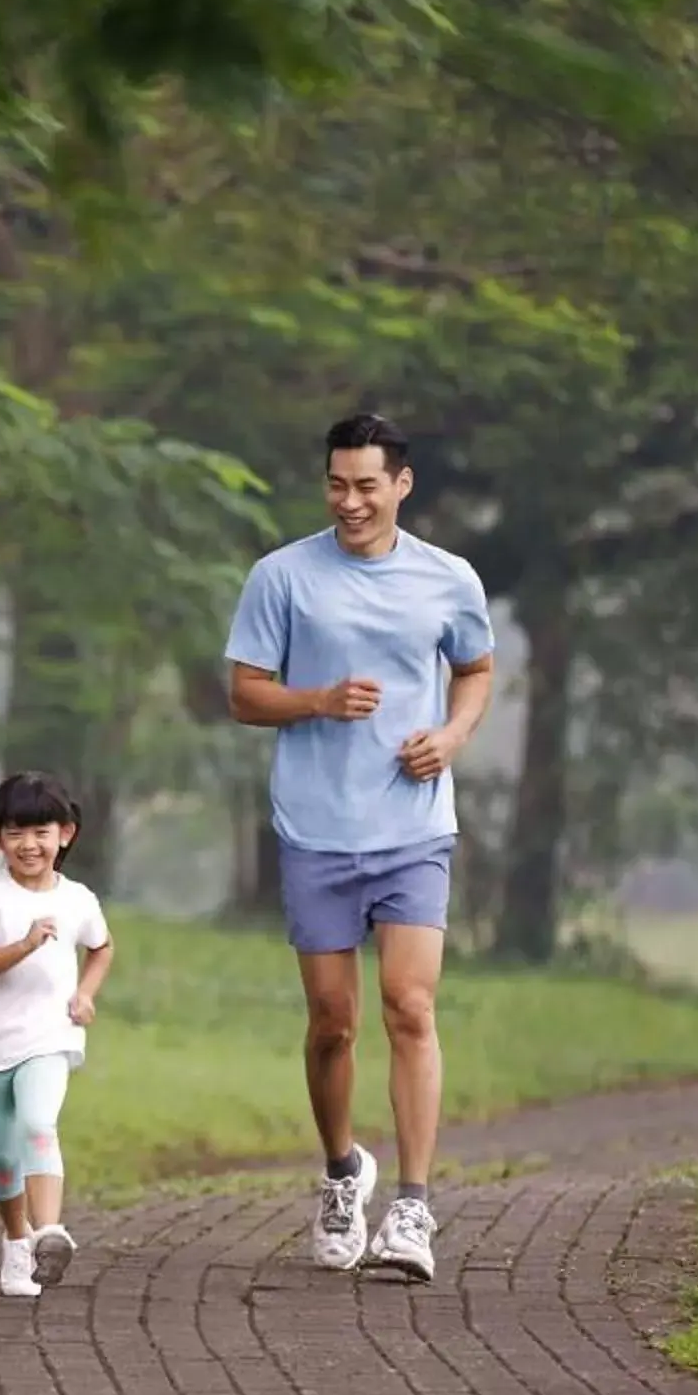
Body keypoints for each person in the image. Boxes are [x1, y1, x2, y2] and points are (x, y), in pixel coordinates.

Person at [223, 413, 495, 1283]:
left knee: (410, 1008)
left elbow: (477, 669)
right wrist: (318, 701)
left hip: (414, 827)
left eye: (367, 485)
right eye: (337, 484)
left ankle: (412, 1208)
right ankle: (343, 1175)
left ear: (401, 485)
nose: (350, 501)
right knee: (332, 1023)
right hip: (315, 830)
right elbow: (243, 694)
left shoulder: (447, 579)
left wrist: (451, 737)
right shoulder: (283, 577)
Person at [0, 772, 116, 1299]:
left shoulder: (79, 899)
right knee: (2, 1156)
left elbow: (102, 947)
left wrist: (85, 994)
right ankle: (16, 1240)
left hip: (50, 1036)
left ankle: (49, 1231)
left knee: (39, 1124)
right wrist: (24, 944)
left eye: (41, 832)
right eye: (16, 832)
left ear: (65, 834)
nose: (29, 845)